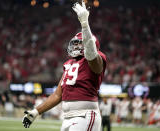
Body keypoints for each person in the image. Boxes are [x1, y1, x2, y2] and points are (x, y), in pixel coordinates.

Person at [22, 1, 107, 131]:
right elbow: (57, 95)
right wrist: (36, 112)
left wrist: (85, 25)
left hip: (85, 115)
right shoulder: (69, 64)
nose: (76, 46)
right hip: (67, 117)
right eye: (75, 44)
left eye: (80, 43)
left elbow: (90, 54)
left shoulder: (97, 58)